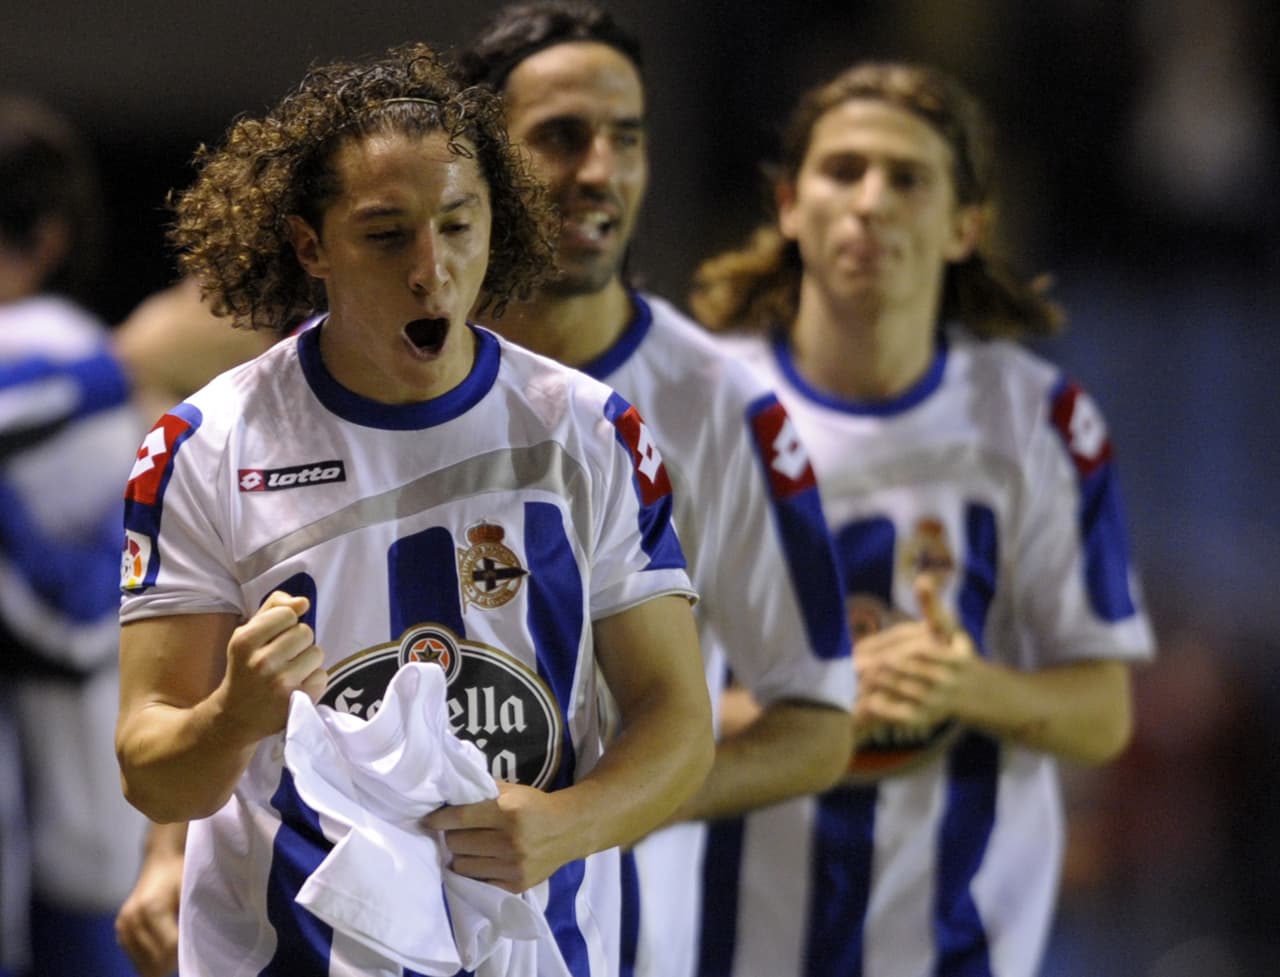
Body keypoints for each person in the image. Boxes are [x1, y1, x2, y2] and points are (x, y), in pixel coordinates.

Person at [113, 40, 713, 977]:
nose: (431, 269)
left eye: (458, 225)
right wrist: (233, 712)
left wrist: (567, 822)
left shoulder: (592, 432)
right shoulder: (205, 446)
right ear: (312, 245)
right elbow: (149, 767)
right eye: (387, 234)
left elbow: (678, 722)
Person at [689, 62, 1156, 977]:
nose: (870, 202)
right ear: (789, 203)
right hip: (719, 946)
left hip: (955, 953)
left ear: (964, 226)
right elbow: (625, 717)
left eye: (907, 178)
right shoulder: (689, 407)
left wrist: (962, 685)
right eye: (843, 171)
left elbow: (1102, 715)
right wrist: (818, 702)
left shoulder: (1041, 423)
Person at [456, 5, 855, 977]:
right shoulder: (383, 369)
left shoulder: (724, 410)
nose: (599, 169)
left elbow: (814, 723)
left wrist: (588, 812)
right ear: (479, 155)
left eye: (624, 138)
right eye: (559, 138)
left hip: (616, 948)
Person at [0, 93, 148, 977]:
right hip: (96, 823)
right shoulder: (106, 368)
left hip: (74, 818)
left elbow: (87, 613)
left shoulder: (73, 361)